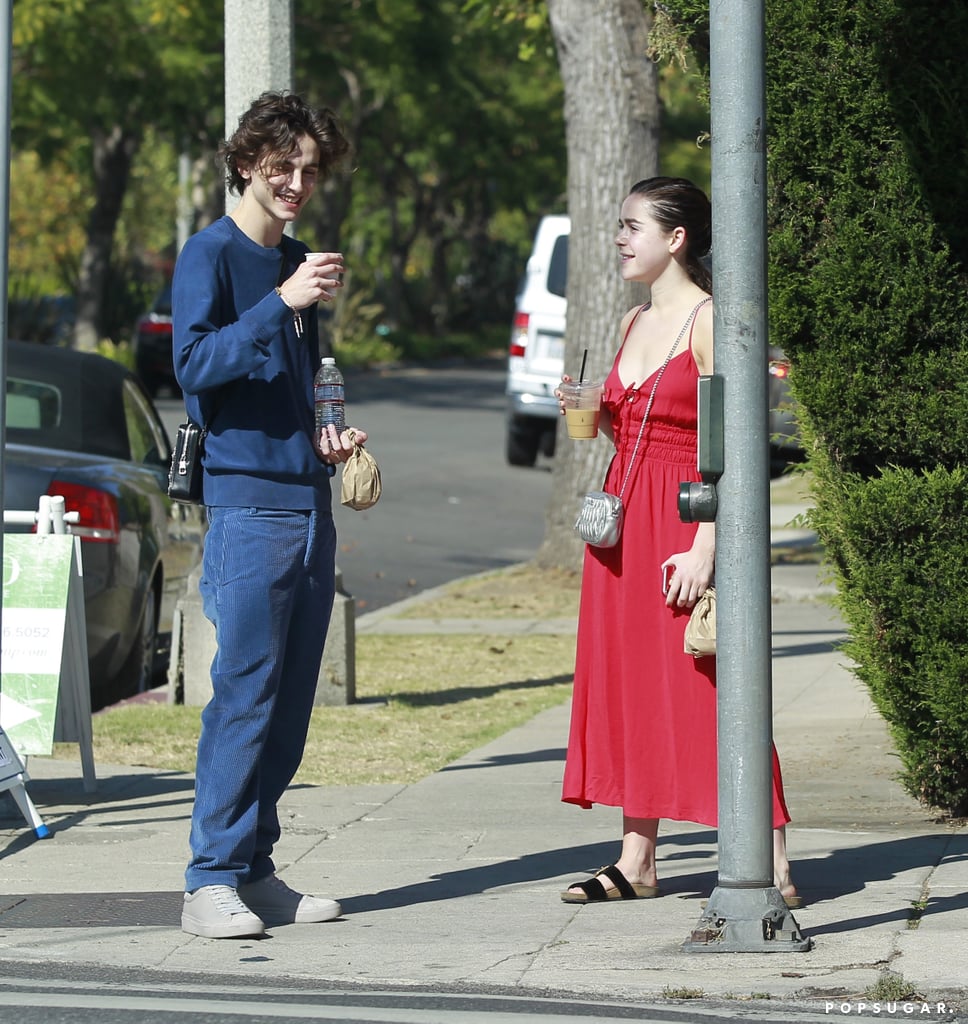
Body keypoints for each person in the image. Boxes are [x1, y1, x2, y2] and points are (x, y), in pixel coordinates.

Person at [557, 177, 798, 906]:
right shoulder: (633, 323)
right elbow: (633, 429)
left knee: (714, 687)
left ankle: (776, 861)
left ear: (677, 238)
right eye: (621, 226)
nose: (622, 238)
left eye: (634, 226)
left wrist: (706, 545)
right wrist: (592, 410)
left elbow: (737, 442)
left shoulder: (709, 321)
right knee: (631, 688)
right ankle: (637, 860)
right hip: (622, 529)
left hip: (683, 520)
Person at [173, 91, 364, 939]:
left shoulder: (298, 267)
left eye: (310, 170)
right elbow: (196, 365)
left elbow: (304, 374)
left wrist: (331, 430)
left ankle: (254, 869)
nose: (296, 182)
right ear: (246, 161)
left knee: (288, 705)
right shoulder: (209, 255)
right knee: (244, 694)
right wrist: (280, 300)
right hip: (246, 503)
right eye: (282, 166)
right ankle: (207, 879)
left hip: (308, 500)